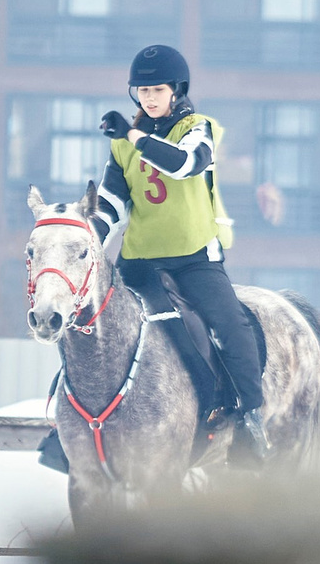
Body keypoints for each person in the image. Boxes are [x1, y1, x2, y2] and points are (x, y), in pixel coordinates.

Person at [88, 43, 271, 464]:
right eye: (142, 91)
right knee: (95, 326)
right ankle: (73, 423)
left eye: (157, 90)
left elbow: (185, 164)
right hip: (140, 261)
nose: (149, 98)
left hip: (193, 257)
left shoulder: (197, 128)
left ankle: (249, 418)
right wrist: (86, 242)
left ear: (176, 91)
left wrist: (133, 135)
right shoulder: (121, 147)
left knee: (231, 324)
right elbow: (113, 206)